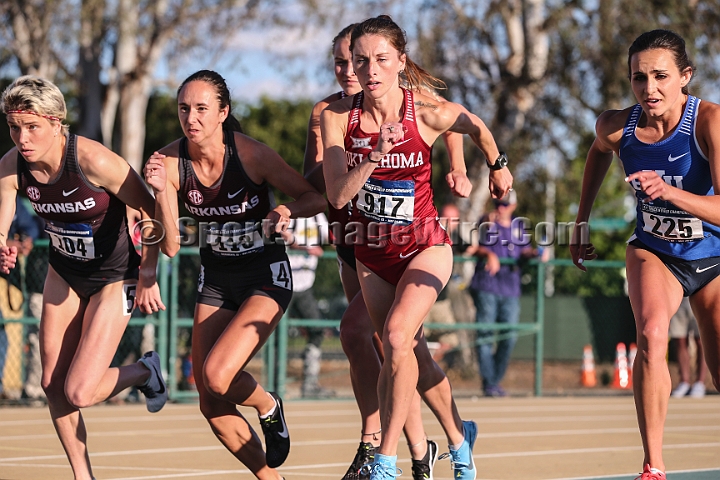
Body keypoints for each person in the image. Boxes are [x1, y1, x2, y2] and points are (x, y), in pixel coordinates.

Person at [321, 16, 513, 480]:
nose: (369, 69)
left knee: (394, 338)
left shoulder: (424, 110)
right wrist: (372, 156)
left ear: (400, 62)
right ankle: (457, 435)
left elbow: (474, 125)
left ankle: (386, 459)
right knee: (409, 354)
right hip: (372, 254)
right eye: (361, 60)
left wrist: (495, 165)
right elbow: (338, 196)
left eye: (381, 59)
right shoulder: (337, 118)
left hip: (426, 246)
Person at [143, 70, 325, 480]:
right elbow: (170, 245)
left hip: (265, 275)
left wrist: (284, 211)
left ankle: (267, 405)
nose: (192, 117)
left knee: (216, 374)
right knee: (210, 400)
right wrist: (160, 192)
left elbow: (315, 197)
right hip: (218, 279)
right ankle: (269, 477)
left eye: (202, 108)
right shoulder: (170, 163)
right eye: (184, 108)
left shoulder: (251, 155)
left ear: (223, 112)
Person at [305, 23, 467, 479]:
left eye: (359, 59)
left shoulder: (405, 99)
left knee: (375, 336)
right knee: (404, 349)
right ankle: (428, 447)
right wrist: (287, 206)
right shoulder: (329, 115)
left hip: (408, 245)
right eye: (343, 62)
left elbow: (451, 121)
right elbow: (316, 187)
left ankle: (378, 445)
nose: (352, 71)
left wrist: (461, 167)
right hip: (354, 245)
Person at [0, 75, 167, 480]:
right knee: (52, 384)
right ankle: (83, 475)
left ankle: (146, 371)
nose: (22, 138)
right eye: (14, 127)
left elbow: (153, 213)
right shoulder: (12, 165)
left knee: (80, 390)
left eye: (32, 126)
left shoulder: (94, 161)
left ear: (57, 123)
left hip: (115, 275)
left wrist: (148, 273)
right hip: (65, 271)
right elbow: (3, 209)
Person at [570, 29, 720, 480]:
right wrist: (582, 218)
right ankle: (653, 465)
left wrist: (672, 195)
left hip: (711, 252)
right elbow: (599, 152)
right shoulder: (618, 126)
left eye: (660, 76)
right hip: (654, 250)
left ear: (685, 77)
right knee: (653, 335)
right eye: (639, 78)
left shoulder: (710, 122)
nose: (649, 88)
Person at [466, 191, 546, 397]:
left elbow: (524, 251)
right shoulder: (486, 222)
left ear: (513, 205)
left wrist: (537, 253)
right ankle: (490, 383)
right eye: (498, 202)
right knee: (485, 334)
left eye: (505, 204)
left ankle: (493, 381)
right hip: (487, 286)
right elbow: (470, 248)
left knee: (509, 337)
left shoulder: (519, 227)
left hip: (510, 289)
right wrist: (488, 253)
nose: (500, 207)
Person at [284, 212, 335, 398]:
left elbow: (332, 237)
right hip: (285, 284)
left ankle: (310, 383)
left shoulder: (318, 217)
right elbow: (282, 235)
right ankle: (273, 383)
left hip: (306, 286)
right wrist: (307, 247)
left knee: (317, 330)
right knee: (273, 334)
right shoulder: (290, 213)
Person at [0, 197, 39, 400]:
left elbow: (30, 225)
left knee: (2, 335)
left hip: (7, 277)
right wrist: (4, 242)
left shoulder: (12, 199)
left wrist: (26, 240)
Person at [669, 297, 706, 398]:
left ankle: (700, 383)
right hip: (679, 297)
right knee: (679, 339)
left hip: (699, 294)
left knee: (701, 340)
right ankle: (684, 382)